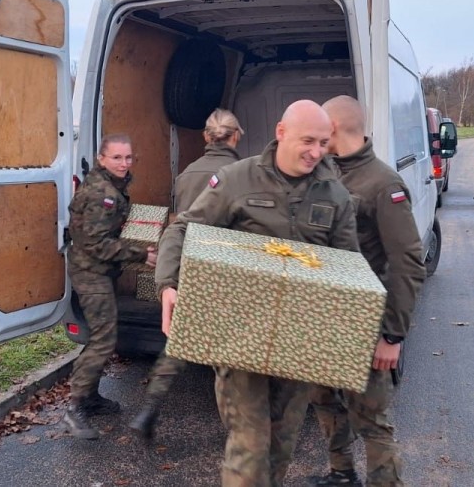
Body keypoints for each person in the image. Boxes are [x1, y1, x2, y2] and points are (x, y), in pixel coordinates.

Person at [155, 100, 360, 486]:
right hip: (240, 334)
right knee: (249, 447)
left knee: (280, 448)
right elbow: (183, 229)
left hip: (298, 344)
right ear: (281, 133)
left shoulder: (335, 195)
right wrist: (169, 284)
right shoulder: (236, 179)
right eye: (307, 141)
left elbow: (348, 269)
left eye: (323, 142)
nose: (316, 152)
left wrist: (345, 339)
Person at [308, 95, 427, 487]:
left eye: (320, 130)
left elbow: (408, 263)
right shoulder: (322, 175)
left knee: (371, 419)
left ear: (335, 128)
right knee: (326, 402)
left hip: (366, 324)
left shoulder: (382, 183)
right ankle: (341, 474)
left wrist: (392, 335)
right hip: (324, 319)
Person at [130, 108, 244, 441]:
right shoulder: (241, 174)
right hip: (225, 269)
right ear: (236, 136)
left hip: (190, 265)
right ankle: (238, 431)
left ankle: (150, 408)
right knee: (229, 350)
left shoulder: (187, 173)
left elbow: (178, 221)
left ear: (205, 137)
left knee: (178, 340)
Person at [64, 133, 157, 439]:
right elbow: (97, 245)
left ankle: (89, 397)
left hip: (100, 271)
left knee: (103, 335)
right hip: (91, 272)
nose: (124, 163)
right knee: (104, 339)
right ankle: (75, 406)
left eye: (128, 157)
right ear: (102, 159)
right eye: (116, 157)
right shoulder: (101, 194)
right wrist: (142, 253)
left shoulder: (112, 187)